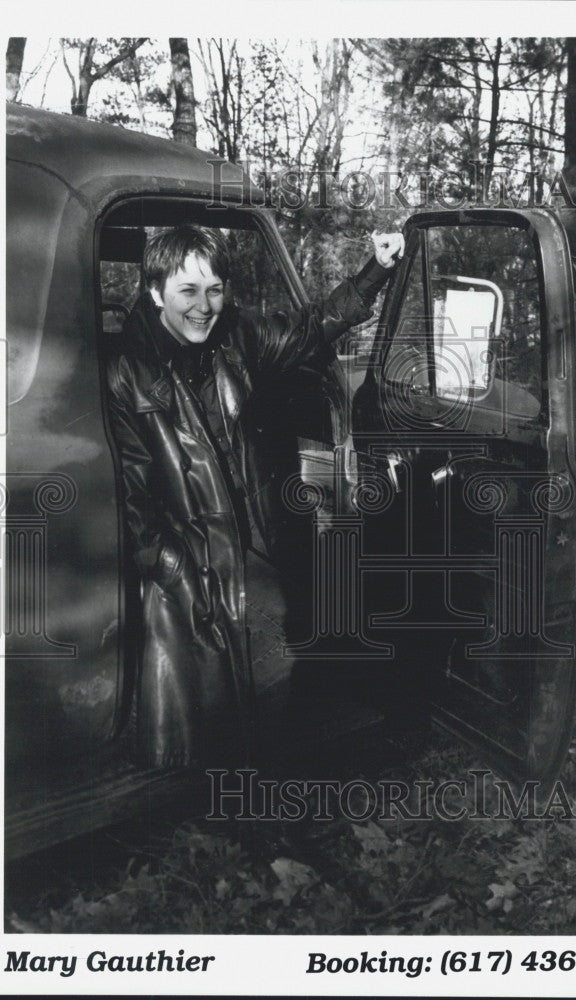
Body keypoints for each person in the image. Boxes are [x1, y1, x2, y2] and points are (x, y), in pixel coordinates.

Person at [106, 225, 404, 768]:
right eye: (187, 291)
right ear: (154, 292)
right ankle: (258, 813)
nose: (204, 307)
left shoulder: (236, 336)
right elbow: (133, 499)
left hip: (255, 541)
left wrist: (375, 270)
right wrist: (177, 573)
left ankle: (267, 799)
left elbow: (312, 331)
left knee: (290, 672)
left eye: (214, 289)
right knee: (268, 684)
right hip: (196, 558)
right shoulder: (127, 371)